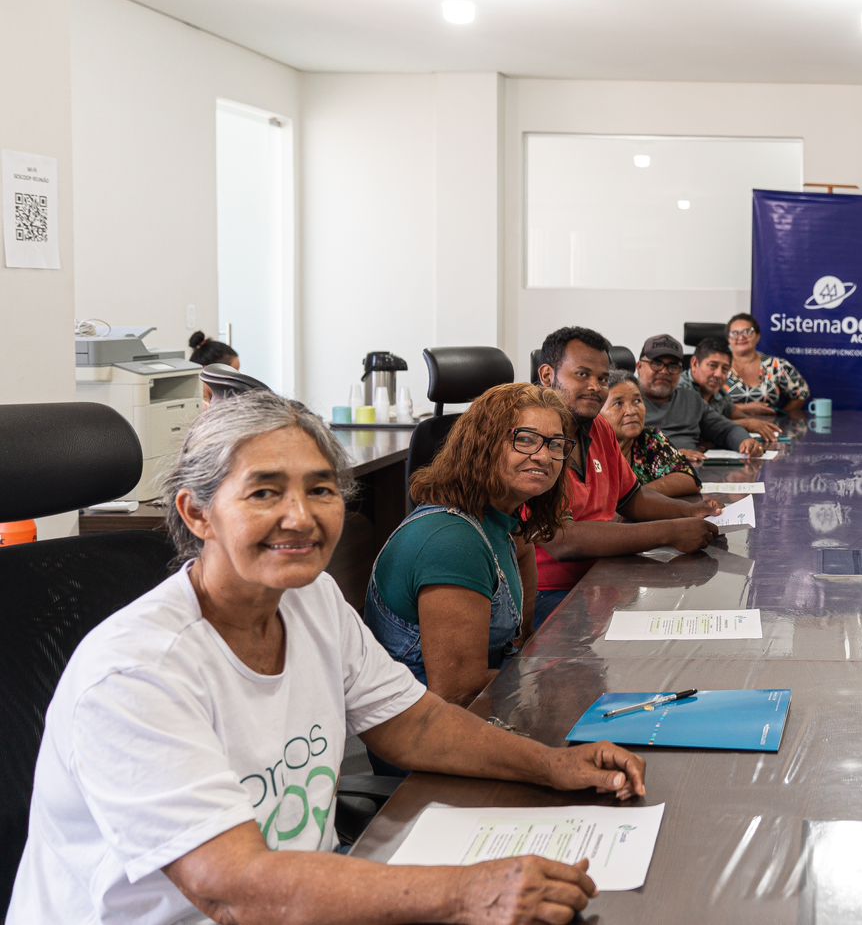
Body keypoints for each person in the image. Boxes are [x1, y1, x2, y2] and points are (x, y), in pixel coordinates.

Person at [7, 392, 644, 925]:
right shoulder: (137, 671)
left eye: (320, 489)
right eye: (264, 493)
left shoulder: (309, 600)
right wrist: (467, 892)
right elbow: (230, 887)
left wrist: (552, 767)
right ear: (197, 513)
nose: (300, 517)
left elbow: (416, 724)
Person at [364, 383, 573, 705]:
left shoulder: (499, 519)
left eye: (555, 444)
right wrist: (557, 679)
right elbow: (458, 692)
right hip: (428, 735)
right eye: (526, 440)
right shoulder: (452, 542)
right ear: (483, 445)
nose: (544, 456)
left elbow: (521, 549)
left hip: (475, 707)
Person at [533, 326, 721, 628]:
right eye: (582, 375)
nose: (595, 387)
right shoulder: (532, 439)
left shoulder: (599, 427)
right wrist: (670, 532)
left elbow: (632, 498)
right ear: (547, 376)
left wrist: (691, 512)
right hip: (549, 593)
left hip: (606, 575)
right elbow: (562, 540)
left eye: (603, 378)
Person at [636, 334, 763, 456]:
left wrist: (745, 441)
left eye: (673, 366)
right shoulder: (626, 402)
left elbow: (726, 430)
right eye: (656, 364)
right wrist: (672, 456)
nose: (664, 371)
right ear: (639, 366)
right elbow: (622, 449)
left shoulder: (691, 399)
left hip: (695, 470)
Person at [602, 370, 701, 497]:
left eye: (637, 401)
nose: (631, 411)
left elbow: (690, 479)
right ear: (597, 412)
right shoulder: (588, 448)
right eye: (618, 403)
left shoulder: (649, 439)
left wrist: (634, 497)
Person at [686, 335, 780, 441]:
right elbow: (696, 427)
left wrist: (757, 424)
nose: (718, 374)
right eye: (712, 366)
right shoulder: (680, 389)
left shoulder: (718, 391)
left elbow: (731, 410)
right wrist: (746, 424)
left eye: (725, 369)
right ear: (694, 364)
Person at [723, 312, 810, 418]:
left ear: (758, 336)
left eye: (747, 332)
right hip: (728, 429)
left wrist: (781, 417)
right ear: (728, 339)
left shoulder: (776, 365)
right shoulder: (720, 366)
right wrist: (745, 408)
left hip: (768, 429)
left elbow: (802, 393)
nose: (741, 337)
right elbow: (706, 403)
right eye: (735, 333)